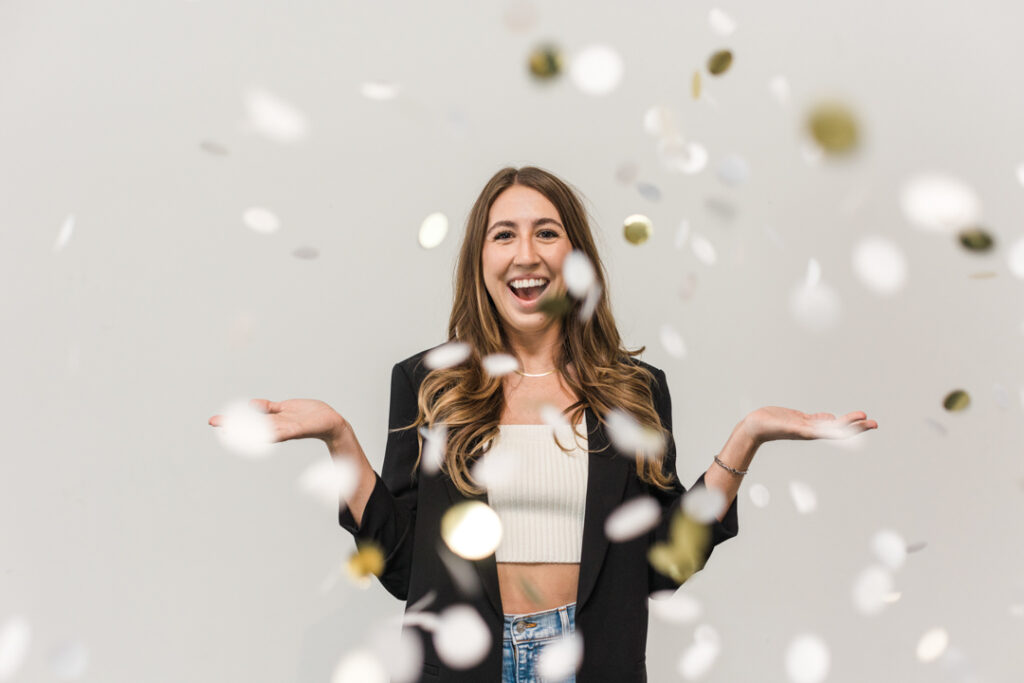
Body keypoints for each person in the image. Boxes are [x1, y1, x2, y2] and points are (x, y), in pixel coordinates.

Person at [209, 166, 878, 682]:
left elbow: (665, 562)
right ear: (481, 259)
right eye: (505, 234)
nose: (526, 254)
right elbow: (406, 566)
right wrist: (339, 439)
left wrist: (747, 437)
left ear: (575, 258)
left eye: (546, 232)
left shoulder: (636, 393)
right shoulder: (426, 384)